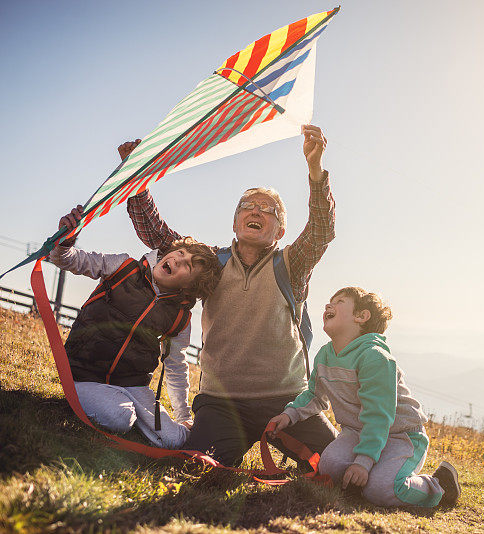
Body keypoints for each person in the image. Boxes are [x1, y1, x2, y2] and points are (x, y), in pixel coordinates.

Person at [122, 124, 338, 467]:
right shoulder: (211, 263)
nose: (256, 211)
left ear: (280, 230)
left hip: (288, 403)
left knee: (336, 466)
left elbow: (321, 232)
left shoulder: (290, 265)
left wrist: (315, 170)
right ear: (236, 222)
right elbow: (160, 238)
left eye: (267, 210)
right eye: (247, 206)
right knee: (200, 465)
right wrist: (138, 179)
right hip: (221, 401)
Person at [268, 287, 461, 507]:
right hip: (357, 433)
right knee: (329, 467)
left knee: (381, 490)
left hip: (401, 436)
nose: (328, 306)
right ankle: (366, 477)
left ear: (361, 316)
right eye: (330, 301)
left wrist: (363, 461)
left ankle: (439, 486)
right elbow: (314, 395)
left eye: (339, 301)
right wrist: (289, 415)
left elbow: (378, 417)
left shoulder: (375, 357)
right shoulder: (324, 355)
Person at [51, 205, 221, 448]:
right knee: (121, 417)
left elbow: (175, 366)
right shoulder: (122, 267)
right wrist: (65, 241)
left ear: (189, 288)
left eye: (188, 266)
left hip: (133, 384)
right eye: (180, 252)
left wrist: (184, 417)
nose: (178, 259)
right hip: (84, 374)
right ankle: (94, 402)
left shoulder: (179, 318)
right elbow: (67, 260)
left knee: (175, 439)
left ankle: (134, 411)